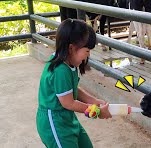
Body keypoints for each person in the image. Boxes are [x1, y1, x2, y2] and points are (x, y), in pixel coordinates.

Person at [36, 18, 111, 147]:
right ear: (71, 48)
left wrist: (94, 101)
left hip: (67, 118)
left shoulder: (69, 62)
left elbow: (73, 90)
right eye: (87, 51)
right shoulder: (60, 70)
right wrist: (97, 112)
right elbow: (68, 103)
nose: (87, 56)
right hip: (54, 122)